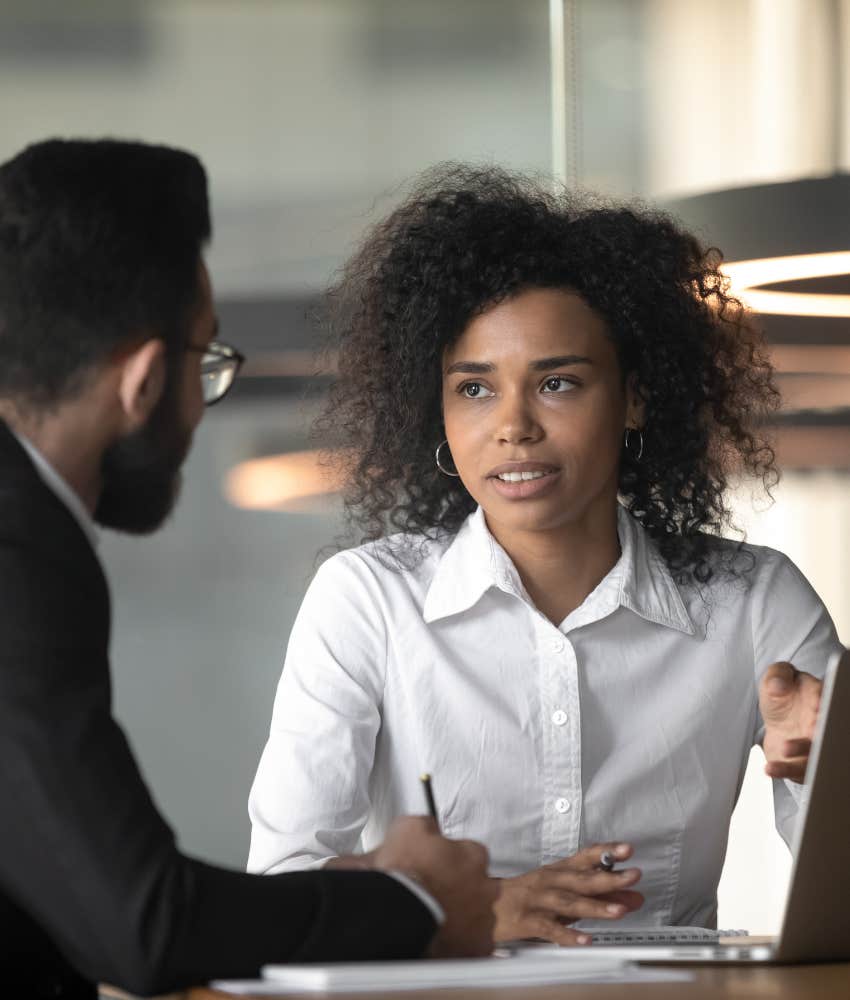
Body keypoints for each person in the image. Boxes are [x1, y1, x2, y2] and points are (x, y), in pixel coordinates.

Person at [248, 164, 840, 946]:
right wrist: (475, 910)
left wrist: (828, 773)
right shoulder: (366, 601)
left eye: (557, 382)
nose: (514, 426)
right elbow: (283, 881)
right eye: (474, 389)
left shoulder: (755, 601)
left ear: (634, 396)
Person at [0, 140, 497, 1000]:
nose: (201, 406)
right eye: (206, 363)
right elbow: (143, 925)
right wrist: (411, 902)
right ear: (146, 379)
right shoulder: (20, 552)